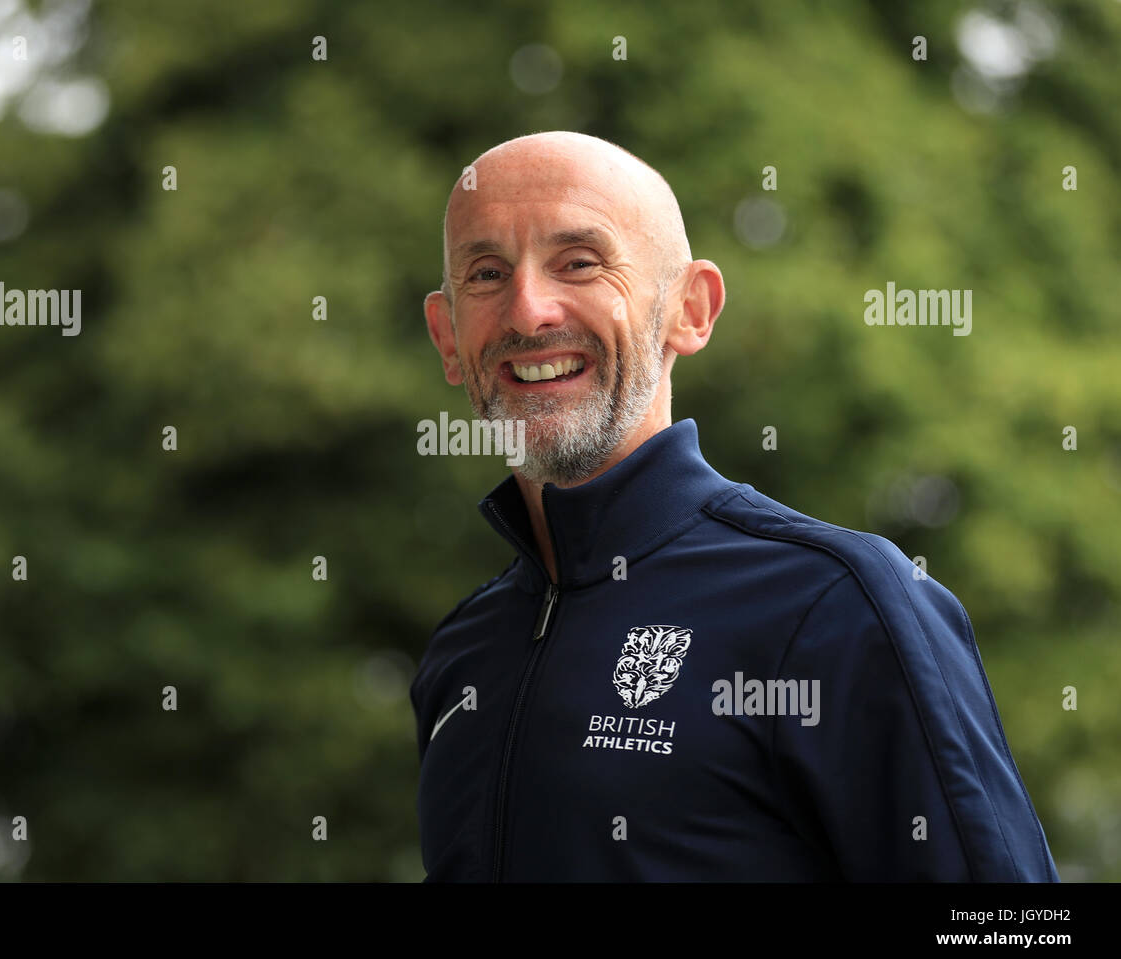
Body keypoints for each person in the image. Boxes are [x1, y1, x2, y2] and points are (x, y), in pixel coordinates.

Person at [409, 130, 1059, 882]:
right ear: (448, 337)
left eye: (580, 262)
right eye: (486, 274)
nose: (528, 308)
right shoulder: (463, 650)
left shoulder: (838, 606)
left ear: (691, 309)